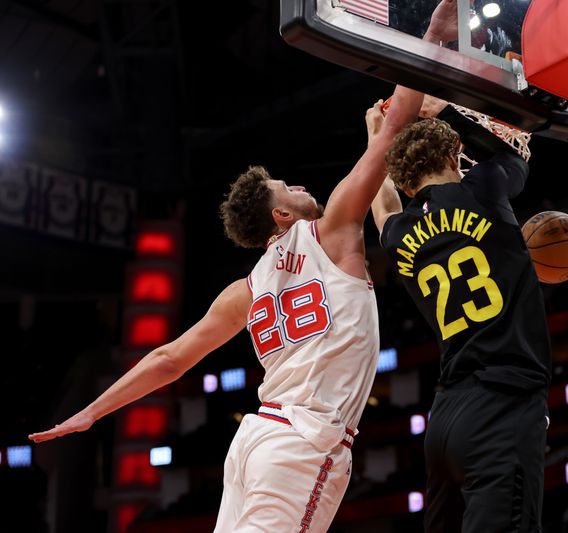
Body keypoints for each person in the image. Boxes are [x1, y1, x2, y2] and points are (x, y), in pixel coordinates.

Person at [28, 3, 457, 530]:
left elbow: (169, 359)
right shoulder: (335, 229)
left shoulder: (245, 290)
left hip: (254, 442)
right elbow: (392, 136)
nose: (300, 185)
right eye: (288, 187)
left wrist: (94, 411)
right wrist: (430, 40)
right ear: (280, 215)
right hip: (303, 442)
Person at [370, 106, 551, 532]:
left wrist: (378, 137)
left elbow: (381, 206)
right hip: (503, 404)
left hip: (446, 420)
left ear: (405, 180)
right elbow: (514, 154)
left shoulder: (399, 234)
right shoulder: (484, 189)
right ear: (455, 156)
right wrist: (445, 109)